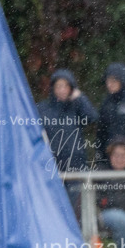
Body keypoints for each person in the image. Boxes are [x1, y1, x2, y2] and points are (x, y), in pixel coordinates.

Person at [36, 68, 98, 221]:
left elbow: (93, 118)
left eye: (66, 86)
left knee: (74, 212)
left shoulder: (76, 106)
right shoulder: (42, 109)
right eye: (59, 86)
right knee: (52, 212)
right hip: (50, 169)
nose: (62, 90)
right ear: (53, 88)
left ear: (72, 88)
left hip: (76, 168)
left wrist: (80, 98)